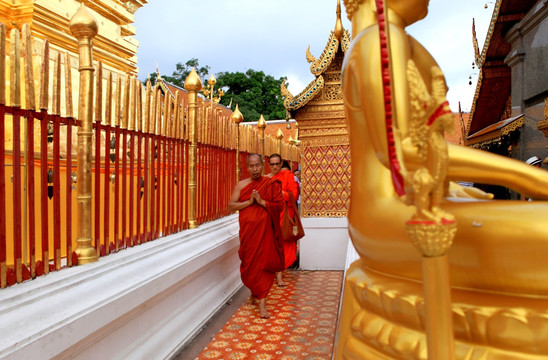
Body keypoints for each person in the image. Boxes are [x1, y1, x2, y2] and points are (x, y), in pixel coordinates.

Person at [342, 0, 548, 296]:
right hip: (397, 214)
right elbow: (403, 150)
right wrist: (528, 177)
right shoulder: (379, 41)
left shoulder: (384, 41)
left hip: (394, 212)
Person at [228, 153, 284, 318]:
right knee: (249, 264)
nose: (255, 169)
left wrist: (262, 202)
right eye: (251, 166)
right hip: (248, 235)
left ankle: (262, 303)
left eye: (257, 165)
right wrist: (249, 203)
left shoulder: (270, 183)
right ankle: (254, 293)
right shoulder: (241, 185)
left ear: (262, 165)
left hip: (265, 233)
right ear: (247, 168)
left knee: (263, 266)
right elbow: (231, 206)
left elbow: (280, 206)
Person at [267, 154, 299, 287]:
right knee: (272, 246)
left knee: (282, 246)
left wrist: (281, 193)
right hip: (270, 215)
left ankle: (279, 276)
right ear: (269, 165)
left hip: (284, 216)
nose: (275, 167)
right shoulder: (266, 178)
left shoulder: (288, 176)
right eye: (272, 164)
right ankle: (273, 274)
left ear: (281, 164)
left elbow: (294, 195)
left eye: (277, 164)